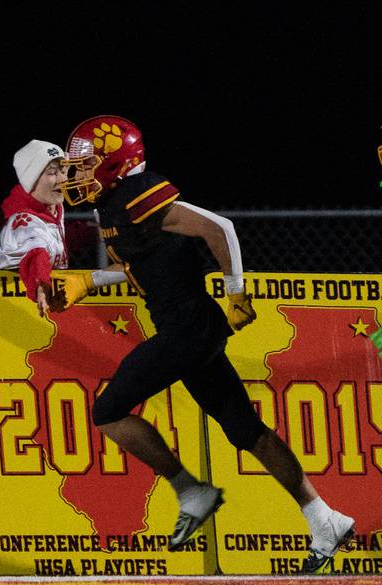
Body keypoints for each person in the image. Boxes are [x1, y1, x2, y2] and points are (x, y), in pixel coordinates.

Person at [53, 115, 354, 573]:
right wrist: (89, 282)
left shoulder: (136, 194)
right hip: (189, 329)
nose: (76, 175)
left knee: (108, 411)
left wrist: (237, 290)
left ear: (116, 160)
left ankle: (191, 490)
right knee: (245, 430)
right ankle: (324, 518)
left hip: (187, 329)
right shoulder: (116, 202)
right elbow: (146, 267)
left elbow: (221, 228)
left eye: (85, 164)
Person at [0, 139, 125, 316]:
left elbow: (54, 243)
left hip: (38, 303)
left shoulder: (51, 207)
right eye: (52, 172)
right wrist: (41, 285)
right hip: (18, 306)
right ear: (30, 179)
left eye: (64, 171)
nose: (63, 179)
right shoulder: (22, 218)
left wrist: (90, 232)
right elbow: (36, 254)